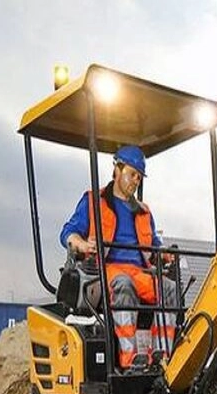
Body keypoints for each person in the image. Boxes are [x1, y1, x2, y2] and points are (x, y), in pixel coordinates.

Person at [60, 145, 177, 369]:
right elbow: (68, 232)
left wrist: (165, 254)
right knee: (124, 284)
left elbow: (154, 244)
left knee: (169, 288)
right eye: (132, 174)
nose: (136, 181)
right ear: (117, 168)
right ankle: (129, 358)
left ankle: (162, 356)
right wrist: (82, 244)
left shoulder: (144, 211)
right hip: (107, 270)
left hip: (140, 272)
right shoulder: (93, 201)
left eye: (139, 177)